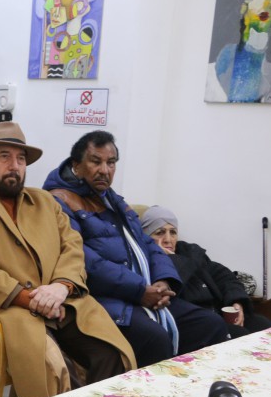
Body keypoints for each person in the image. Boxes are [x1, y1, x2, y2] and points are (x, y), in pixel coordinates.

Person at [0, 122, 135, 397]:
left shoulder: (44, 201)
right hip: (4, 308)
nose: (15, 166)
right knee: (55, 369)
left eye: (21, 159)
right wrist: (31, 299)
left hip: (60, 302)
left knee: (112, 353)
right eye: (4, 157)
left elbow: (73, 246)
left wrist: (61, 287)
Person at [42, 131, 228, 367]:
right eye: (96, 161)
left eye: (111, 163)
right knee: (154, 338)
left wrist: (163, 280)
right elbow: (86, 262)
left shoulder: (111, 199)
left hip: (142, 292)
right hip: (101, 299)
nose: (105, 170)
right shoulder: (59, 201)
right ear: (76, 166)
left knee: (210, 324)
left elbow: (146, 242)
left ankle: (191, 388)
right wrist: (140, 290)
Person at [141, 205, 271, 337]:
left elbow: (225, 276)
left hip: (219, 312)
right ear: (146, 237)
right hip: (197, 324)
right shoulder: (146, 262)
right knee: (241, 336)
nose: (168, 239)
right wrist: (167, 258)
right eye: (159, 232)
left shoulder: (190, 252)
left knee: (267, 327)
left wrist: (236, 301)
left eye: (173, 232)